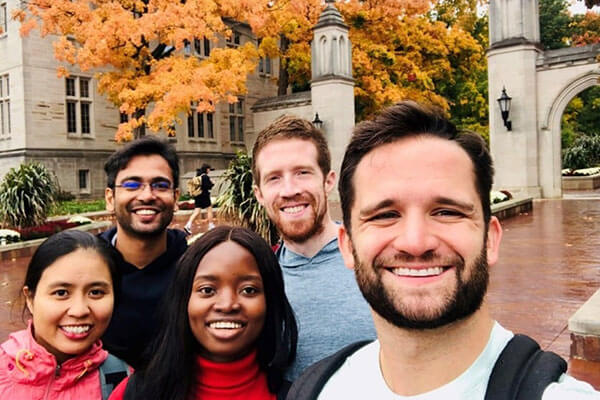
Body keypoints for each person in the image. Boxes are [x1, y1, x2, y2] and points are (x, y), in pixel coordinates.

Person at [290, 101, 600, 399]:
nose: (416, 242)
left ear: (491, 239)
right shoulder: (317, 389)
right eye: (385, 215)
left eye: (447, 212)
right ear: (347, 246)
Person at [108, 226, 297, 400]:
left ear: (270, 301)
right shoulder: (137, 393)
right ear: (184, 300)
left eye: (248, 290)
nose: (227, 305)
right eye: (207, 290)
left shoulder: (298, 395)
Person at [252, 115, 375, 380]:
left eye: (302, 173)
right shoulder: (256, 280)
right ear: (259, 194)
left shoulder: (376, 257)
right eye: (274, 178)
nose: (289, 190)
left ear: (328, 180)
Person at [0, 230, 127, 399]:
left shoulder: (124, 382)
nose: (79, 310)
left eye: (96, 292)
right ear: (30, 298)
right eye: (61, 293)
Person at [100, 136, 188, 368]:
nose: (147, 195)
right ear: (110, 198)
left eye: (160, 185)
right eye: (131, 185)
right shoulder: (86, 268)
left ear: (175, 197)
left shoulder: (196, 270)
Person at [184, 163, 215, 235]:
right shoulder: (205, 177)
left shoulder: (197, 176)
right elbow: (208, 187)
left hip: (197, 196)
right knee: (209, 210)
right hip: (204, 196)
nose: (209, 171)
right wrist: (212, 183)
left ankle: (188, 225)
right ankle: (211, 225)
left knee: (197, 211)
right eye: (209, 169)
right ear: (207, 169)